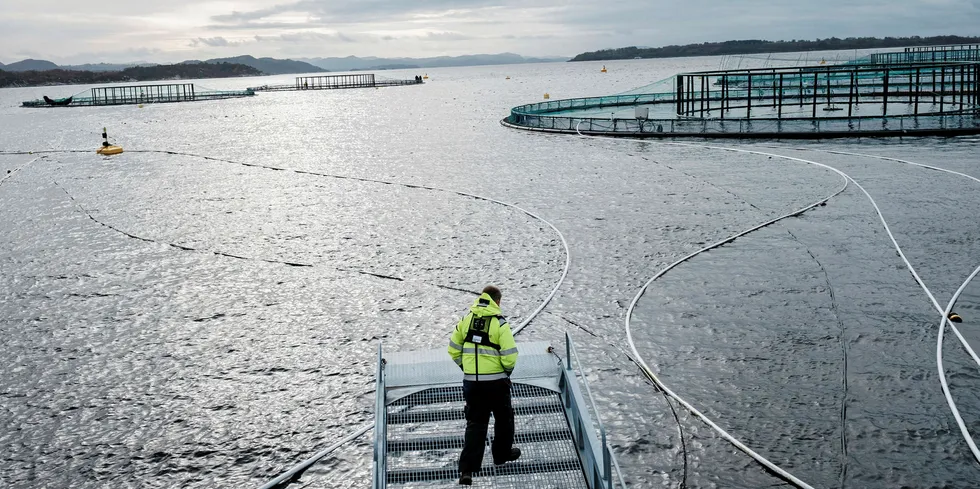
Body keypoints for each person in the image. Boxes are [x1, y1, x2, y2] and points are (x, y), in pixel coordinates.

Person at [447, 285, 520, 485]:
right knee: (504, 419)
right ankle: (501, 455)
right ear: (498, 301)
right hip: (496, 383)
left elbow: (453, 349)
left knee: (476, 425)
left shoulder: (466, 320)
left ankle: (467, 471)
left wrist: (466, 368)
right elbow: (510, 355)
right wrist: (506, 372)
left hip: (472, 384)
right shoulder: (500, 324)